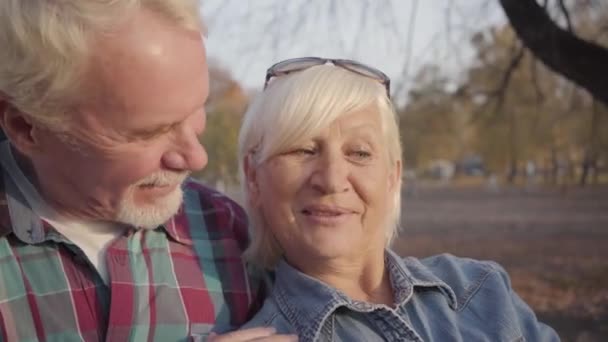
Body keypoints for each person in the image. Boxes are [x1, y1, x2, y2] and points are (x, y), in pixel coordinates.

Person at [0, 2, 296, 341]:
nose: (196, 158)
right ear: (25, 127)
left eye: (196, 111)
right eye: (148, 133)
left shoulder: (233, 234)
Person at [237, 57, 560, 341]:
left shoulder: (479, 290)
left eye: (360, 153)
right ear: (253, 176)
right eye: (303, 150)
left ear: (393, 177)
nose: (332, 180)